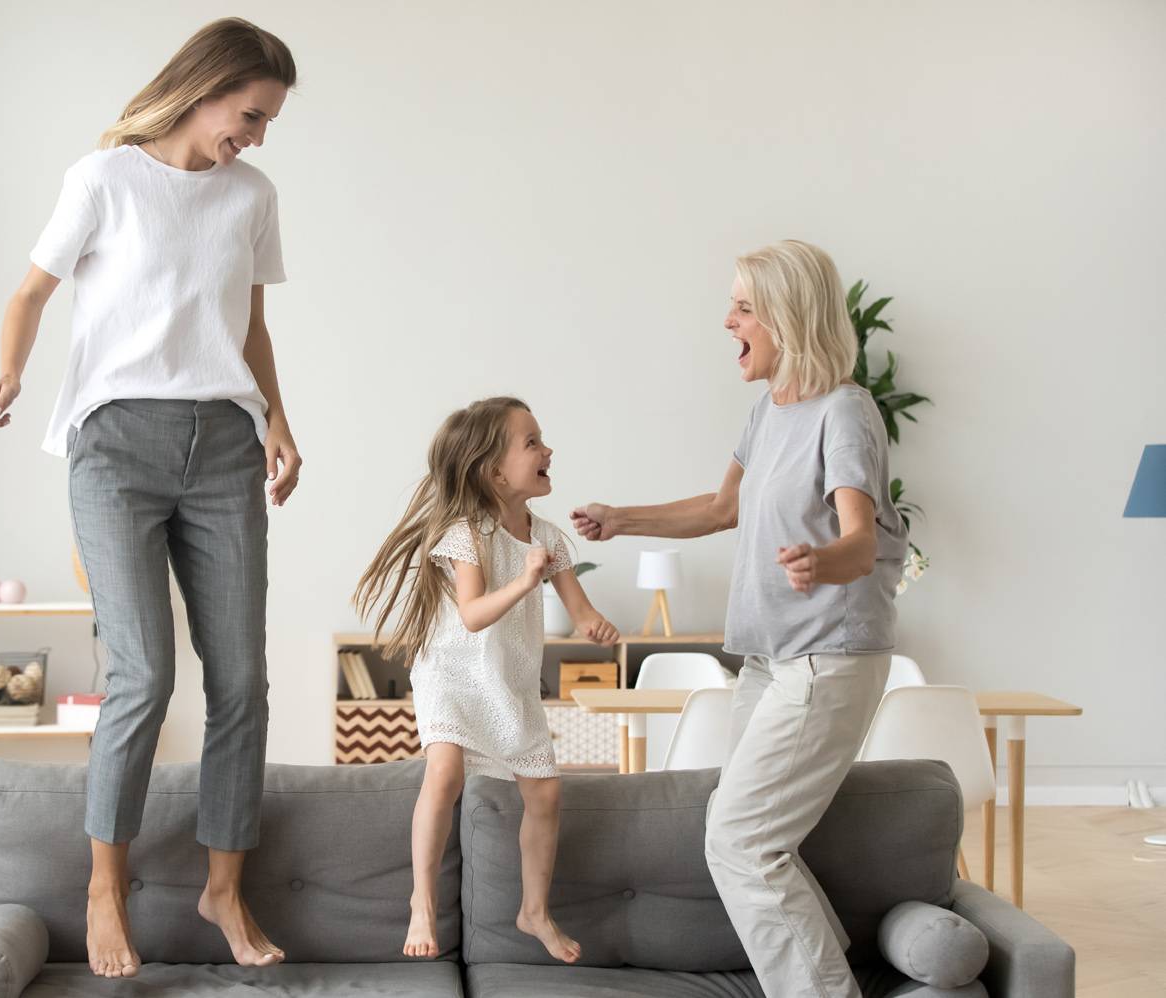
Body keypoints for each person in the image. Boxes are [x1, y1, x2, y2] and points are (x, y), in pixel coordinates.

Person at [0, 17, 302, 979]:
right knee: (143, 674)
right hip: (115, 443)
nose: (259, 135)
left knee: (243, 681)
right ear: (205, 89)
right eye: (251, 114)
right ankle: (103, 884)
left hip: (227, 445)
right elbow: (30, 294)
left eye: (270, 120)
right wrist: (10, 376)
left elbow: (252, 326)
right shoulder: (104, 179)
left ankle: (223, 887)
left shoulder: (253, 195)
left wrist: (278, 423)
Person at [572, 240, 909, 997]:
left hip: (828, 658)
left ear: (790, 316)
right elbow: (721, 507)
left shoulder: (846, 410)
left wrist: (821, 563)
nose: (728, 321)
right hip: (769, 659)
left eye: (745, 307)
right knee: (750, 841)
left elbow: (860, 540)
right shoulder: (768, 411)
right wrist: (622, 518)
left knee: (741, 842)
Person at [356, 397, 619, 963]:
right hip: (452, 673)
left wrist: (594, 623)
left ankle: (534, 910)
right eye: (532, 443)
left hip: (510, 681)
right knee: (445, 771)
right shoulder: (464, 532)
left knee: (545, 792)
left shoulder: (546, 536)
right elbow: (472, 614)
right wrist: (526, 581)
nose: (548, 450)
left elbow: (579, 606)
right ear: (493, 470)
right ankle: (422, 902)